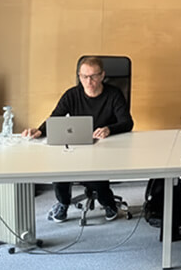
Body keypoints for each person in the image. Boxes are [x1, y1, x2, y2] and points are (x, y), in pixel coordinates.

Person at [23, 56, 134, 223]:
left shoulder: (113, 94)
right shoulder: (72, 95)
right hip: (77, 144)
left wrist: (109, 129)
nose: (89, 81)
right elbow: (55, 118)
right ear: (79, 76)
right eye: (84, 76)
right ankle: (63, 202)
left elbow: (127, 123)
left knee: (97, 169)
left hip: (104, 146)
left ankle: (108, 202)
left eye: (93, 76)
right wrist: (39, 131)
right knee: (59, 166)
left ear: (102, 75)